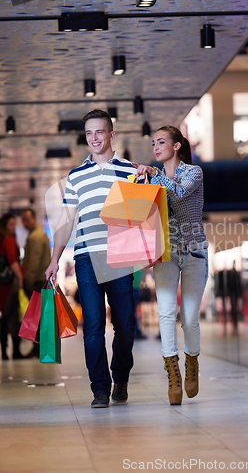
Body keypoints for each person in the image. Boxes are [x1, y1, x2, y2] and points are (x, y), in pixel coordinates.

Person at [45, 109, 138, 409]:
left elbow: (144, 215)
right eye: (89, 133)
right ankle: (100, 388)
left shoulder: (130, 171)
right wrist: (54, 260)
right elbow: (66, 222)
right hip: (86, 257)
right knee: (94, 325)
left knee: (125, 324)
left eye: (99, 132)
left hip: (121, 256)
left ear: (111, 134)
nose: (94, 138)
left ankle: (120, 376)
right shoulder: (76, 176)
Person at [137, 126, 208, 405]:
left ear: (177, 146)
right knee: (166, 314)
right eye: (154, 143)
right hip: (164, 252)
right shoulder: (150, 178)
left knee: (189, 318)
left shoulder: (194, 172)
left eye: (162, 142)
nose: (156, 147)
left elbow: (178, 194)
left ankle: (192, 362)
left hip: (194, 252)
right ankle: (173, 374)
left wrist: (154, 176)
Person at [21, 208, 51, 358]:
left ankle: (37, 348)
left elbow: (33, 262)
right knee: (41, 316)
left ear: (34, 219)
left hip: (37, 281)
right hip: (42, 281)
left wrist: (28, 281)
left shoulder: (35, 237)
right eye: (23, 220)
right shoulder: (39, 235)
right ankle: (40, 348)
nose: (24, 223)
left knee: (36, 316)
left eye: (27, 219)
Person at [0, 212, 24, 360]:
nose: (14, 227)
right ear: (4, 226)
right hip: (8, 285)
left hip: (2, 285)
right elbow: (13, 261)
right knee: (12, 317)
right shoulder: (8, 240)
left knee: (5, 317)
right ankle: (12, 351)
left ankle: (4, 351)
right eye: (11, 224)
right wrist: (20, 277)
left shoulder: (2, 239)